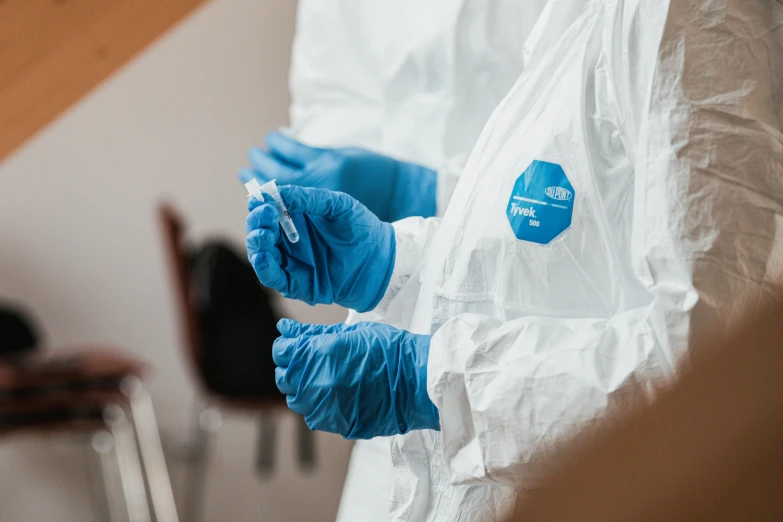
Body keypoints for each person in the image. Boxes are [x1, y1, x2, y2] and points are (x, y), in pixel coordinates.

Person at [245, 0, 783, 520]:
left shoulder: (689, 19)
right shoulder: (583, 18)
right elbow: (553, 256)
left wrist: (431, 382)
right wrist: (392, 268)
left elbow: (700, 378)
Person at [240, 1, 547, 520]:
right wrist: (385, 256)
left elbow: (570, 178)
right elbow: (331, 96)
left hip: (534, 357)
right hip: (398, 328)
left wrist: (427, 192)